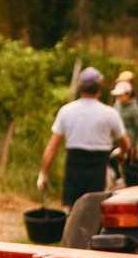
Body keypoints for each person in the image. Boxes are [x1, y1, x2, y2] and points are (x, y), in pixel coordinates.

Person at [38, 67, 131, 209]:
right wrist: (122, 153)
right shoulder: (110, 113)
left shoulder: (66, 111)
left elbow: (52, 147)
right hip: (99, 171)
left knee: (71, 210)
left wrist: (43, 173)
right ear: (99, 89)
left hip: (74, 169)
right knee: (96, 210)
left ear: (80, 88)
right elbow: (125, 143)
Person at [111, 78, 138, 186]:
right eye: (117, 95)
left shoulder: (134, 109)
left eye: (121, 95)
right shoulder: (117, 105)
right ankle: (118, 177)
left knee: (129, 167)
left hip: (130, 143)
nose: (118, 97)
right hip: (116, 140)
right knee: (112, 159)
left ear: (128, 94)